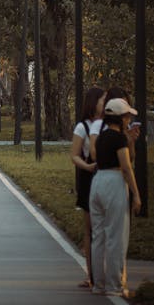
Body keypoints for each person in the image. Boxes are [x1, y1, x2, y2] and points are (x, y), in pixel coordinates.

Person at [89, 98, 141, 297]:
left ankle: (98, 284)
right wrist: (136, 194)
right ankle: (114, 285)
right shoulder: (118, 139)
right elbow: (126, 167)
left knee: (99, 237)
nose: (129, 120)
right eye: (127, 116)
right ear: (120, 118)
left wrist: (129, 141)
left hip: (98, 182)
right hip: (114, 181)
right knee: (116, 237)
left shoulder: (101, 137)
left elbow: (95, 157)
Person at [70, 85, 105, 288]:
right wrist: (88, 166)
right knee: (90, 228)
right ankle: (91, 274)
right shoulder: (82, 127)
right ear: (94, 102)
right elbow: (74, 155)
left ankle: (105, 272)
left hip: (108, 177)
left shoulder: (108, 125)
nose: (105, 103)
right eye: (103, 99)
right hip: (89, 179)